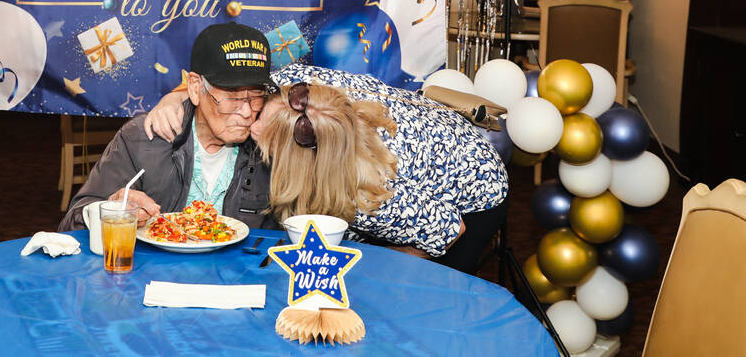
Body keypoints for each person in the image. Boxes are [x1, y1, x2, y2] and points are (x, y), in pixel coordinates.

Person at [146, 63, 508, 273]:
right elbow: (215, 78)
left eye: (266, 138)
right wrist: (175, 96)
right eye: (262, 111)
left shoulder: (364, 190)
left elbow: (448, 229)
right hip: (433, 126)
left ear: (304, 162)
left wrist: (371, 268)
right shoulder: (292, 82)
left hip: (474, 192)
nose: (250, 124)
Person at [59, 22, 277, 231]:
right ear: (194, 87)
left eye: (256, 96)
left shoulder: (269, 146)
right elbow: (71, 225)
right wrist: (110, 208)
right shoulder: (144, 138)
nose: (247, 112)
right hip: (151, 269)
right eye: (232, 96)